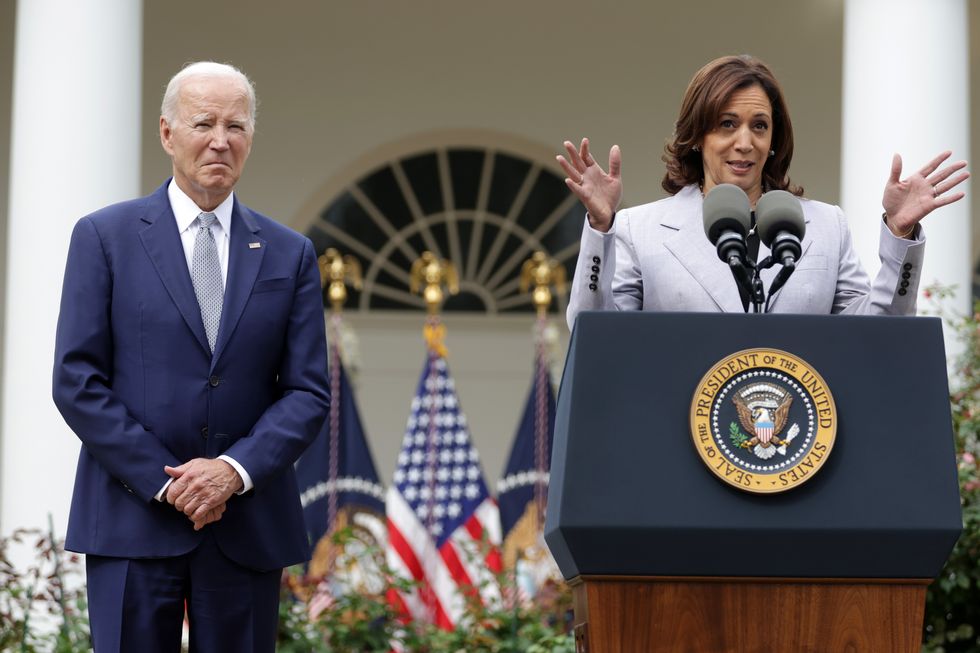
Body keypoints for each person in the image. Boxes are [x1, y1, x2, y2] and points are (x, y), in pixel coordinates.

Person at [52, 61, 330, 652]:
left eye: (237, 126)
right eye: (204, 123)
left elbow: (307, 391)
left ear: (251, 139)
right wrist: (170, 483)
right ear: (167, 133)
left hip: (245, 523)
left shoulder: (290, 253)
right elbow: (77, 379)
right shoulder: (104, 237)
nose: (221, 141)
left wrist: (232, 472)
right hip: (133, 519)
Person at [558, 54, 969, 328]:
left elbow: (878, 332)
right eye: (726, 124)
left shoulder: (826, 225)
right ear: (697, 135)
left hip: (799, 444)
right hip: (681, 443)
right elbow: (594, 333)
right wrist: (600, 225)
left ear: (774, 139)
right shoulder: (638, 229)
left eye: (759, 125)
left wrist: (899, 234)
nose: (744, 142)